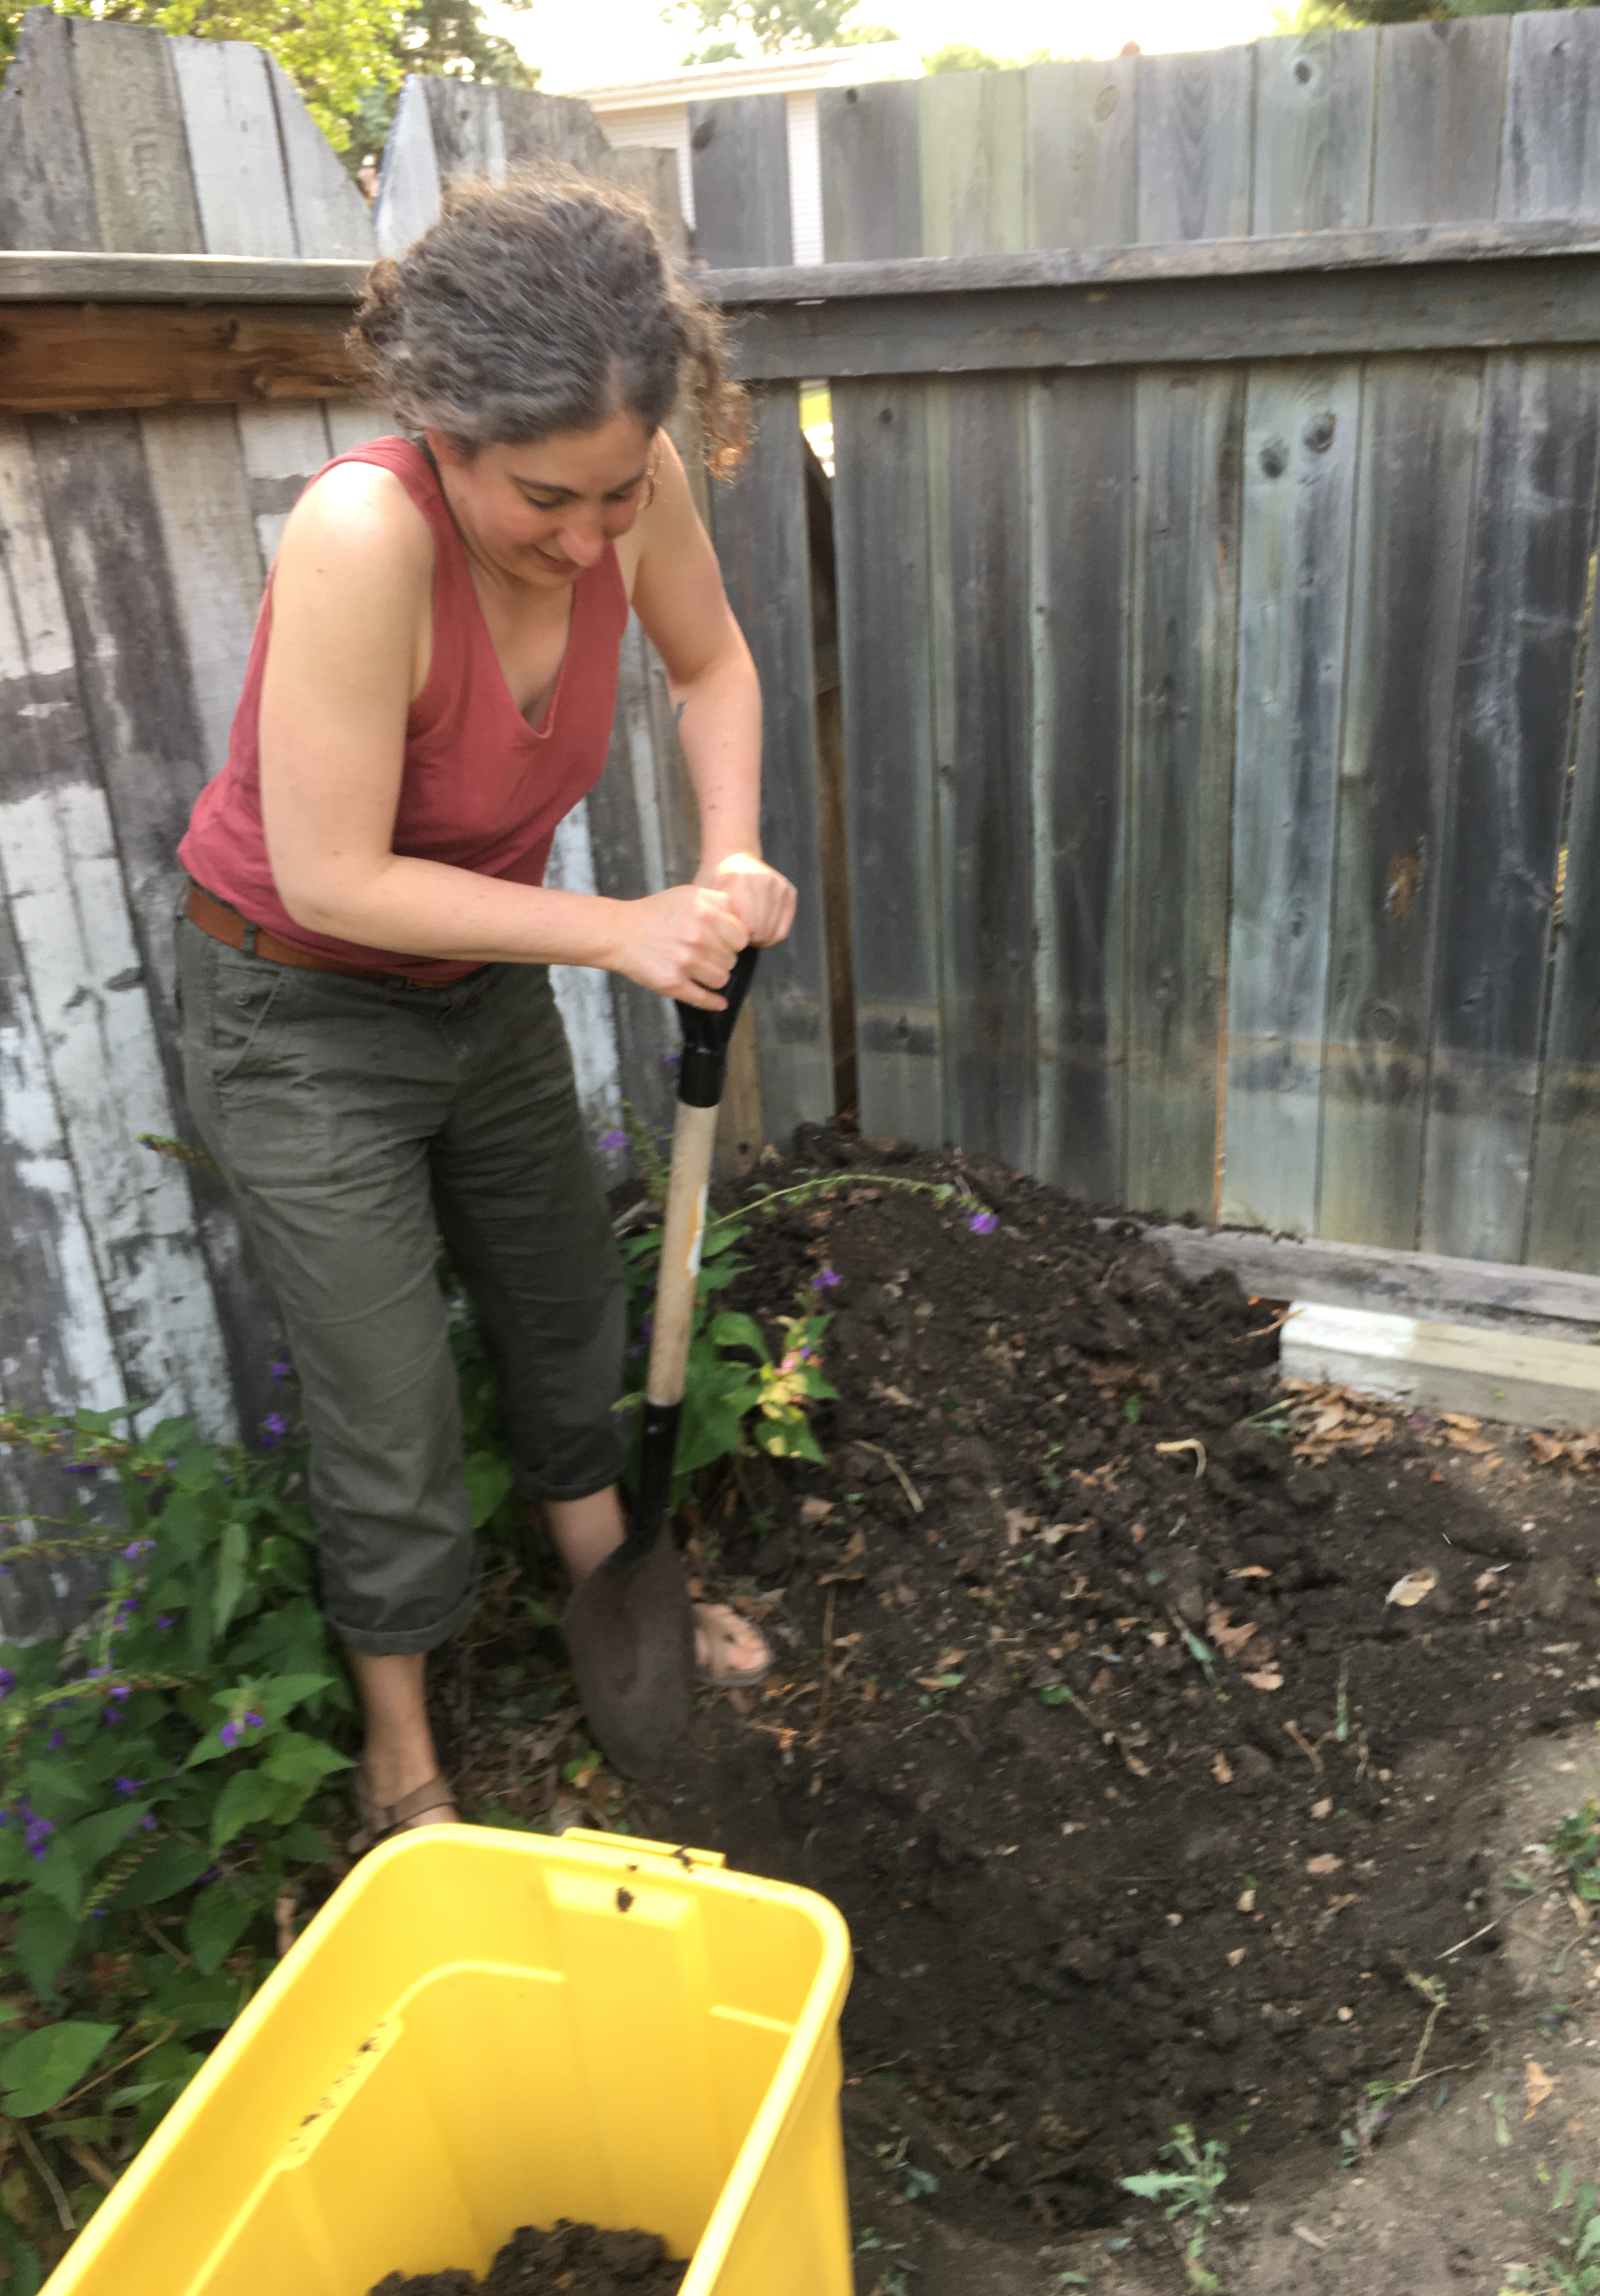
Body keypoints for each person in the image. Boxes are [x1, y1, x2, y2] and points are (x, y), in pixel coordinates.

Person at [173, 169, 796, 1851]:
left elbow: (712, 665)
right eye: (547, 500)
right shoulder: (363, 537)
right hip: (297, 1006)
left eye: (618, 494)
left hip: (479, 978)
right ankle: (400, 1738)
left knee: (565, 1297)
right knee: (389, 1397)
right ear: (446, 432)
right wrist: (618, 930)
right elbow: (330, 877)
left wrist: (730, 856)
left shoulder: (627, 476)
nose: (593, 540)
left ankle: (611, 1583)